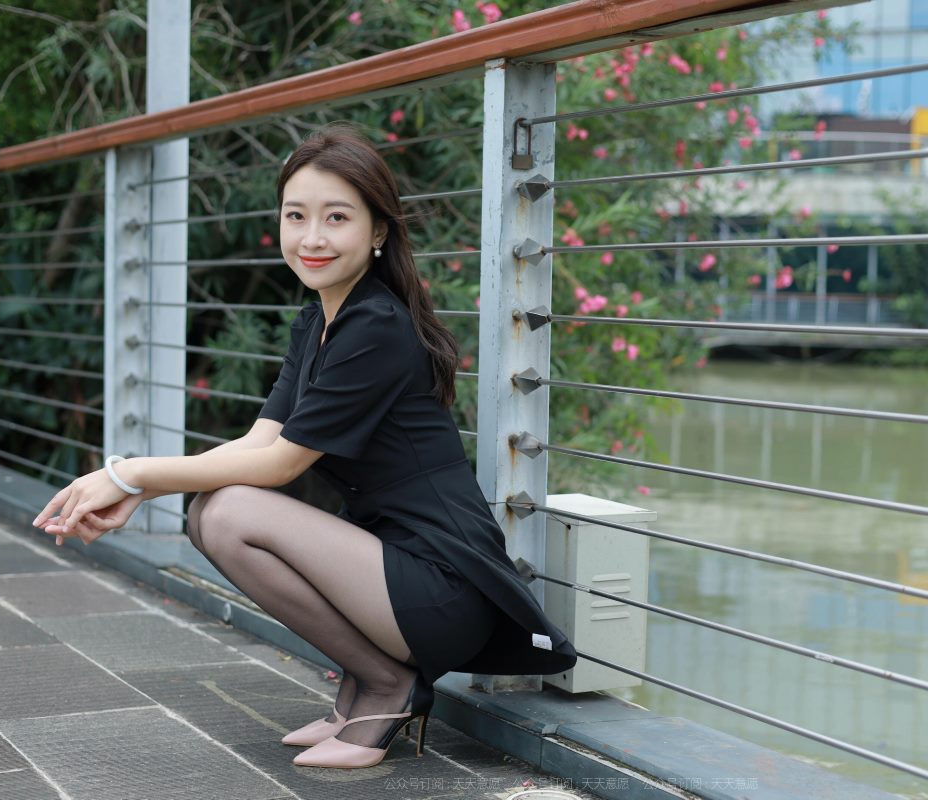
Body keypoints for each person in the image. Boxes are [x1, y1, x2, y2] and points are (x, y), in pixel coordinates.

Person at [31, 124, 577, 770]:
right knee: (209, 512)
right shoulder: (319, 320)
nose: (312, 237)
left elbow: (281, 464)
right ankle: (368, 684)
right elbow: (258, 441)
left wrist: (129, 474)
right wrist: (138, 488)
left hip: (442, 586)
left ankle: (388, 686)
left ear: (378, 231)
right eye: (296, 216)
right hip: (389, 572)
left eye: (336, 217)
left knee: (226, 512)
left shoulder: (376, 326)